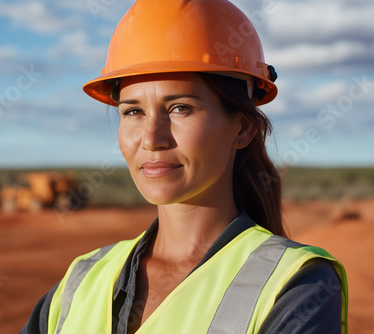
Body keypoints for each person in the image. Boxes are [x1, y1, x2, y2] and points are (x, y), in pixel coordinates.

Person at [20, 0, 348, 333]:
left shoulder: (295, 284)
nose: (151, 139)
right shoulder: (82, 280)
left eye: (180, 108)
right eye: (133, 112)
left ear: (242, 129)